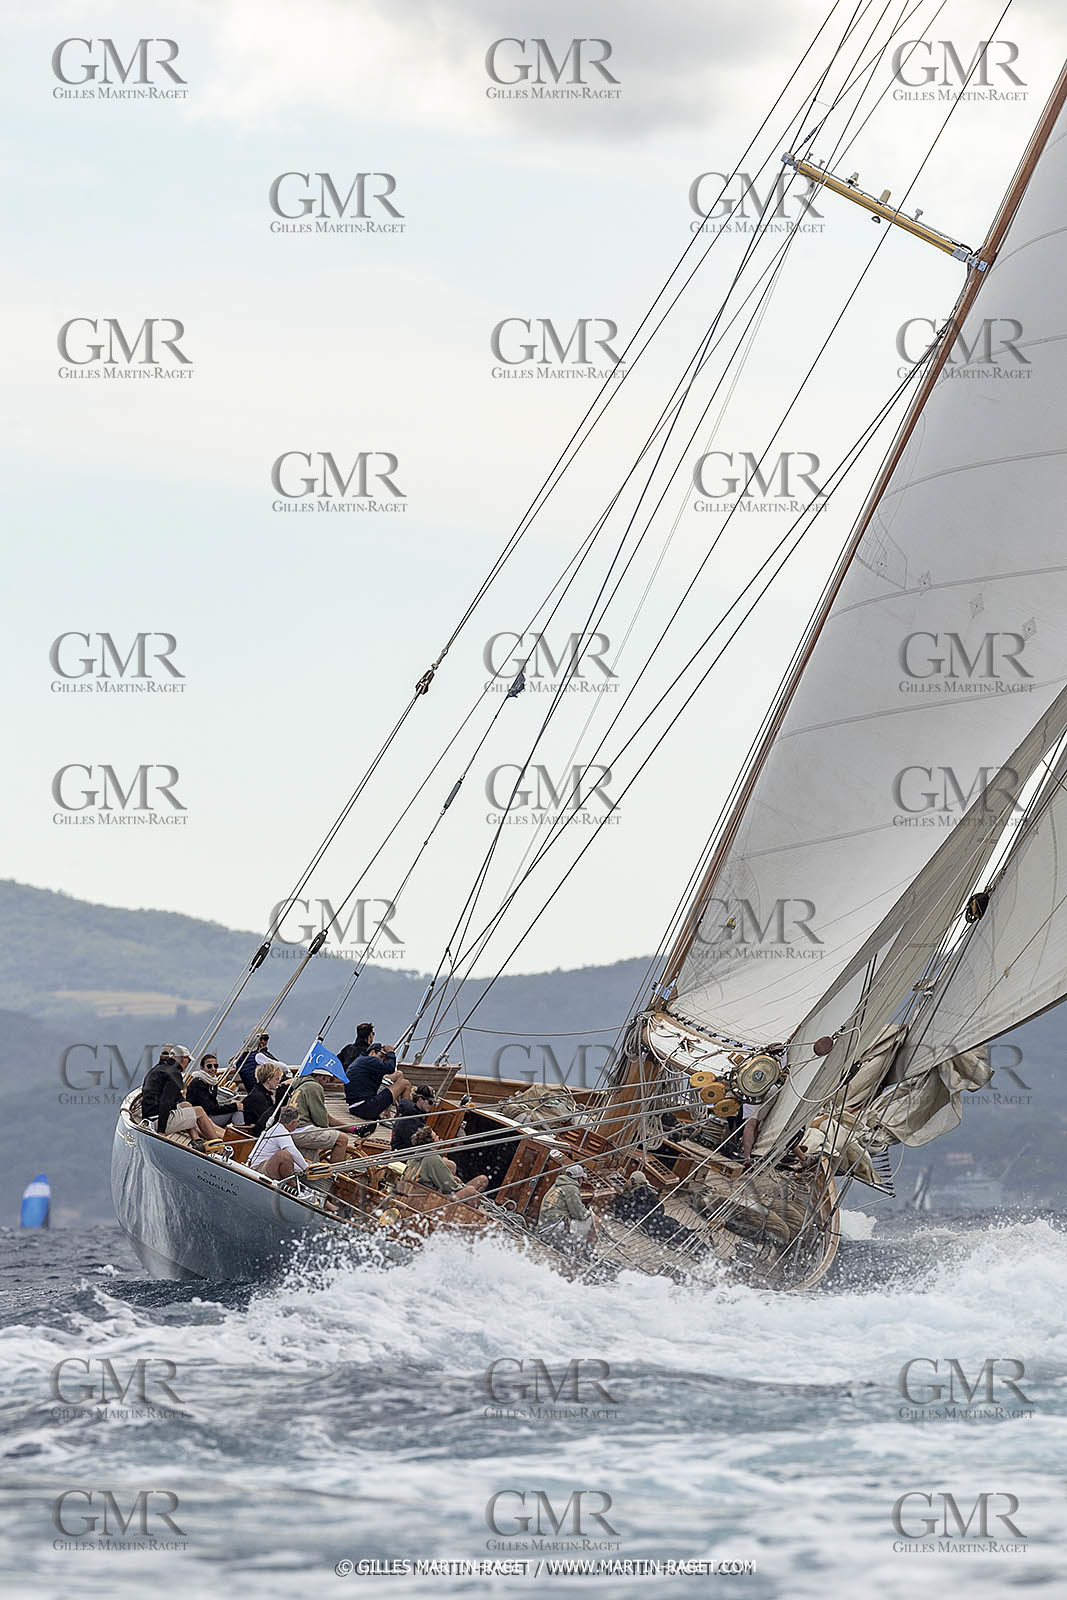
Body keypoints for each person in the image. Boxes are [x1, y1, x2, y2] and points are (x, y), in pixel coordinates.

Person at [141, 1044, 226, 1144]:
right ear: (183, 1059)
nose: (188, 1064)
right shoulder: (174, 1074)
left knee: (186, 1105)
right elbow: (166, 1102)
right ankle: (217, 1145)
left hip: (148, 1117)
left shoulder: (157, 1069)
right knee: (199, 1111)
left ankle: (196, 1139)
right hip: (157, 1121)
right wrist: (161, 1131)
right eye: (189, 1061)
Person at [406, 1125, 487, 1202]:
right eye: (436, 1136)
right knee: (471, 1191)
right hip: (433, 1199)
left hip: (422, 1193)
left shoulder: (415, 1156)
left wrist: (454, 1180)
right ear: (431, 1142)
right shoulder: (432, 1158)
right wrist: (461, 1185)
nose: (439, 1137)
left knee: (477, 1183)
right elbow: (448, 1188)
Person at [289, 1070, 352, 1164]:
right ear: (323, 1077)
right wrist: (328, 1132)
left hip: (292, 1129)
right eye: (329, 1078)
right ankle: (336, 1174)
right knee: (342, 1139)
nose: (328, 1081)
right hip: (301, 1129)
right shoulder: (314, 1086)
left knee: (311, 1161)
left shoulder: (301, 1084)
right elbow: (321, 1118)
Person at [344, 1042, 412, 1124]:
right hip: (364, 1108)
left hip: (355, 1107)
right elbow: (390, 1069)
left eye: (384, 1059)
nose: (382, 1060)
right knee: (405, 1084)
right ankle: (405, 1120)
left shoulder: (362, 1060)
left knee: (398, 1074)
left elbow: (390, 1073)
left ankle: (394, 1112)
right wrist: (391, 1053)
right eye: (381, 1056)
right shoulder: (371, 1060)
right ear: (372, 1052)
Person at [537, 1164, 594, 1251]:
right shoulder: (571, 1188)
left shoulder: (557, 1184)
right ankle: (582, 1249)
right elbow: (579, 1214)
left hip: (543, 1228)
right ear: (579, 1178)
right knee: (589, 1220)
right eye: (582, 1179)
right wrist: (591, 1214)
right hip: (552, 1230)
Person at [249, 1106, 308, 1181]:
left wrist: (305, 1166)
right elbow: (292, 1151)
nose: (298, 1124)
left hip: (266, 1165)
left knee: (288, 1157)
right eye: (298, 1121)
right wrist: (306, 1168)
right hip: (258, 1168)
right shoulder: (281, 1131)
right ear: (293, 1122)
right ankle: (292, 1186)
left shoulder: (278, 1128)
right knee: (284, 1155)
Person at [186, 1053, 243, 1127]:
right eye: (209, 1066)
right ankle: (241, 1133)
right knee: (237, 1110)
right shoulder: (198, 1083)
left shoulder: (212, 1082)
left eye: (215, 1066)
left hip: (209, 1116)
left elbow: (214, 1106)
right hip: (201, 1119)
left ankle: (241, 1131)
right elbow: (209, 1108)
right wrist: (234, 1106)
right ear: (202, 1067)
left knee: (238, 1107)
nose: (213, 1069)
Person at [242, 1061, 285, 1135]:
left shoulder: (260, 1093)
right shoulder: (258, 1097)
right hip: (255, 1133)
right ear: (269, 1079)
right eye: (277, 1079)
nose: (278, 1082)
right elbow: (266, 1120)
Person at [390, 1086, 436, 1151]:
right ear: (420, 1099)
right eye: (430, 1102)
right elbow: (415, 1144)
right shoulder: (409, 1119)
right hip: (404, 1156)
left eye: (434, 1103)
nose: (431, 1106)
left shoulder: (416, 1115)